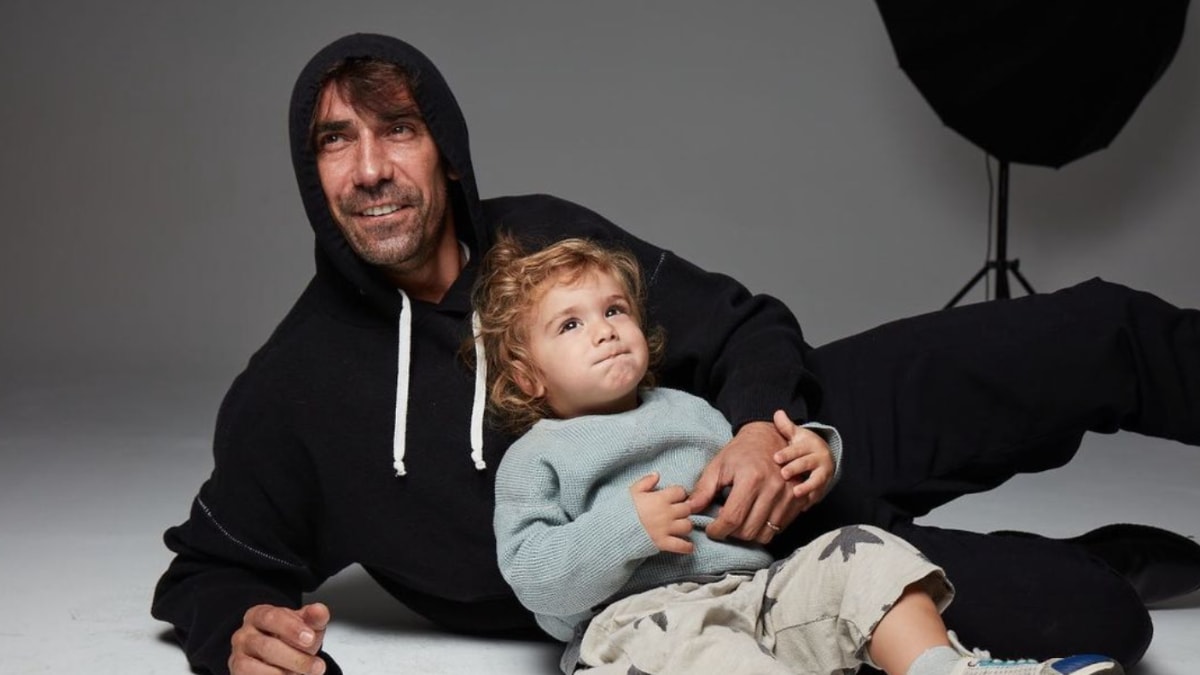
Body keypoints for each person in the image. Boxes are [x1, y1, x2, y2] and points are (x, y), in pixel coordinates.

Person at [150, 32, 1200, 675]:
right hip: (707, 587)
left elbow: (745, 323)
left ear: (447, 150)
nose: (372, 168)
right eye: (336, 140)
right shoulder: (294, 388)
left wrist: (758, 430)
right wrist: (234, 629)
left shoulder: (540, 232)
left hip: (777, 440)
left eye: (398, 129)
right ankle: (1097, 559)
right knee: (1088, 617)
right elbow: (210, 566)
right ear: (313, 174)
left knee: (1092, 331)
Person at [479, 234, 1124, 675]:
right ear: (528, 378)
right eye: (570, 324)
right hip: (639, 627)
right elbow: (535, 580)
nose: (604, 330)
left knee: (865, 552)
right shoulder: (538, 457)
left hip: (759, 592)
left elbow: (761, 474)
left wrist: (816, 455)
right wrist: (625, 528)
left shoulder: (686, 409)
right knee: (705, 659)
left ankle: (945, 669)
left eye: (614, 310)